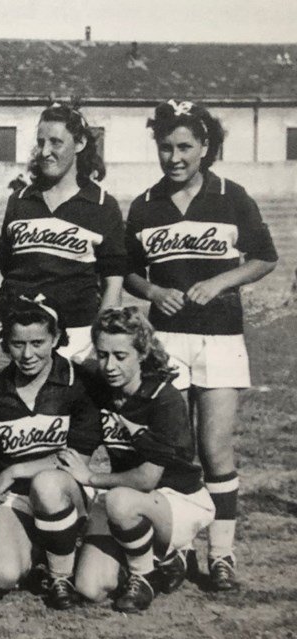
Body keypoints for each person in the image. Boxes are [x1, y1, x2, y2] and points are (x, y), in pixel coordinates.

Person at [125, 99, 278, 590]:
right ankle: (177, 547)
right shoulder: (145, 204)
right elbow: (128, 271)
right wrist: (154, 292)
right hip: (165, 341)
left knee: (214, 447)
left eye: (184, 147)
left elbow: (265, 258)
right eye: (165, 147)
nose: (174, 158)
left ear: (205, 146)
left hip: (221, 336)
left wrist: (221, 282)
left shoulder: (232, 197)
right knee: (175, 447)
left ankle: (222, 554)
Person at [62, 307, 215, 612]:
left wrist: (91, 478)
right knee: (90, 587)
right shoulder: (101, 391)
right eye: (102, 355)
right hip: (129, 499)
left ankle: (144, 574)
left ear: (142, 353)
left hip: (177, 499)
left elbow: (147, 478)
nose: (110, 366)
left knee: (119, 500)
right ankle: (166, 558)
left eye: (120, 356)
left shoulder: (164, 398)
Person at [0, 296, 102, 605]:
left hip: (65, 490)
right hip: (14, 498)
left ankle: (61, 575)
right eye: (18, 344)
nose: (28, 354)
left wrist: (17, 469)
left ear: (56, 338)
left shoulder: (78, 382)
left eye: (38, 343)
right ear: (5, 343)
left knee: (46, 484)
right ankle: (40, 548)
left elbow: (77, 459)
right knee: (2, 575)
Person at [0, 103, 127, 363]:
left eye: (56, 142)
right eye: (40, 142)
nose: (45, 152)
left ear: (80, 144)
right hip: (21, 336)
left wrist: (98, 343)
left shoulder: (103, 205)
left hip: (77, 338)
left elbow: (113, 284)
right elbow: (1, 272)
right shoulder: (20, 200)